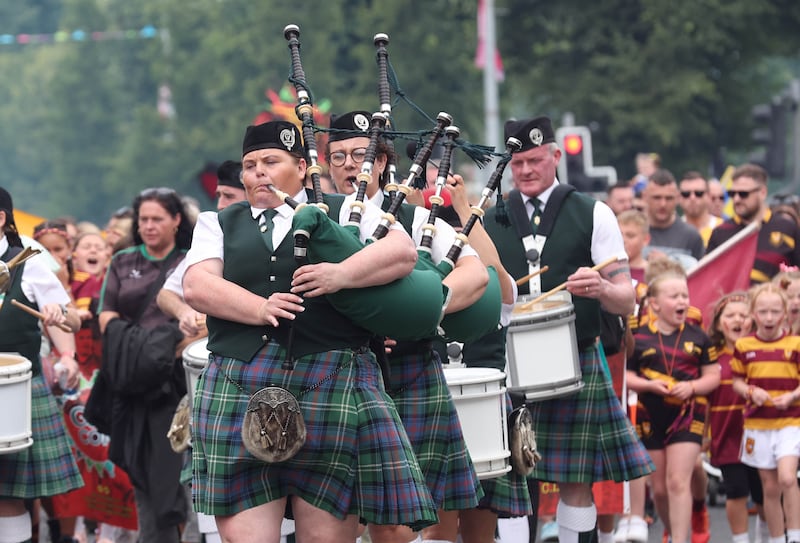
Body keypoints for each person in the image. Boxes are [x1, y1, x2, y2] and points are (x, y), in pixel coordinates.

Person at [182, 120, 438, 543]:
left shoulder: (344, 210)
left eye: (270, 161)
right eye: (249, 165)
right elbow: (197, 285)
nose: (257, 172)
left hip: (332, 381)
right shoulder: (218, 222)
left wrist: (341, 274)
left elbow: (402, 252)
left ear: (302, 168)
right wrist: (260, 307)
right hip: (240, 383)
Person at [478, 117, 654, 543]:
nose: (525, 170)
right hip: (510, 364)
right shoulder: (488, 219)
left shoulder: (594, 212)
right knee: (510, 472)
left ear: (556, 156)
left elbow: (627, 298)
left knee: (578, 478)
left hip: (577, 356)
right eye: (517, 163)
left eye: (535, 160)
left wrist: (601, 288)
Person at [324, 110, 492, 543]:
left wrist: (424, 310)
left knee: (402, 525)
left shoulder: (419, 221)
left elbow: (475, 277)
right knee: (331, 519)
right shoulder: (317, 219)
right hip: (335, 378)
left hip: (407, 373)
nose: (348, 165)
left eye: (360, 155)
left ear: (381, 163)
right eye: (338, 156)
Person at [97, 187, 194, 542]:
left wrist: (169, 347)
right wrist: (144, 348)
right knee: (137, 468)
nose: (149, 226)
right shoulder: (122, 261)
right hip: (131, 381)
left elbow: (203, 320)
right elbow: (106, 316)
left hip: (173, 384)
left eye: (157, 219)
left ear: (176, 220)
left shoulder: (193, 260)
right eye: (143, 220)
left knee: (171, 472)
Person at [0, 186, 83, 543]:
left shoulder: (30, 262)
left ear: (1, 219)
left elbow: (73, 320)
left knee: (7, 496)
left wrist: (58, 315)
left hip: (17, 390)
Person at [627, 264, 720, 543]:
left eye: (684, 295)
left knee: (678, 481)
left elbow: (713, 376)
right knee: (660, 490)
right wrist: (648, 385)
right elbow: (626, 376)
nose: (682, 301)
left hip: (688, 413)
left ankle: (680, 538)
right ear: (654, 303)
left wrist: (691, 387)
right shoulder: (639, 338)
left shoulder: (698, 336)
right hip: (649, 415)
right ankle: (672, 530)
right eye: (674, 296)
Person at [731, 284, 800, 543]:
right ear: (753, 314)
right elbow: (737, 381)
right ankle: (776, 537)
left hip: (790, 421)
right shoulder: (744, 344)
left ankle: (794, 534)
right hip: (758, 424)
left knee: (787, 477)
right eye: (763, 312)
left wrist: (793, 396)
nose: (769, 318)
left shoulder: (795, 343)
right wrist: (750, 391)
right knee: (769, 487)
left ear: (784, 313)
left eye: (775, 311)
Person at [705, 292, 766, 543]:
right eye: (730, 315)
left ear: (752, 320)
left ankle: (767, 535)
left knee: (765, 493)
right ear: (720, 323)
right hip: (727, 434)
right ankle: (740, 540)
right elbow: (705, 401)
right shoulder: (712, 359)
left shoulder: (761, 352)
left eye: (743, 315)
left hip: (762, 432)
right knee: (736, 491)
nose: (738, 320)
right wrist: (702, 435)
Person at [708, 163, 800, 284]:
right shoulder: (720, 233)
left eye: (743, 194)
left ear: (762, 192)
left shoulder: (787, 227)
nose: (736, 199)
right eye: (732, 194)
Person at [642, 169, 705, 269]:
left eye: (669, 198)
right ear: (645, 197)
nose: (663, 204)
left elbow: (701, 276)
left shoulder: (691, 236)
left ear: (677, 198)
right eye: (657, 197)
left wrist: (668, 263)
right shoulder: (633, 232)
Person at [678, 172, 722, 248]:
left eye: (698, 193)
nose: (692, 198)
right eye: (686, 194)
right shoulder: (674, 230)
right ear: (679, 197)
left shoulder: (723, 228)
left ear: (708, 196)